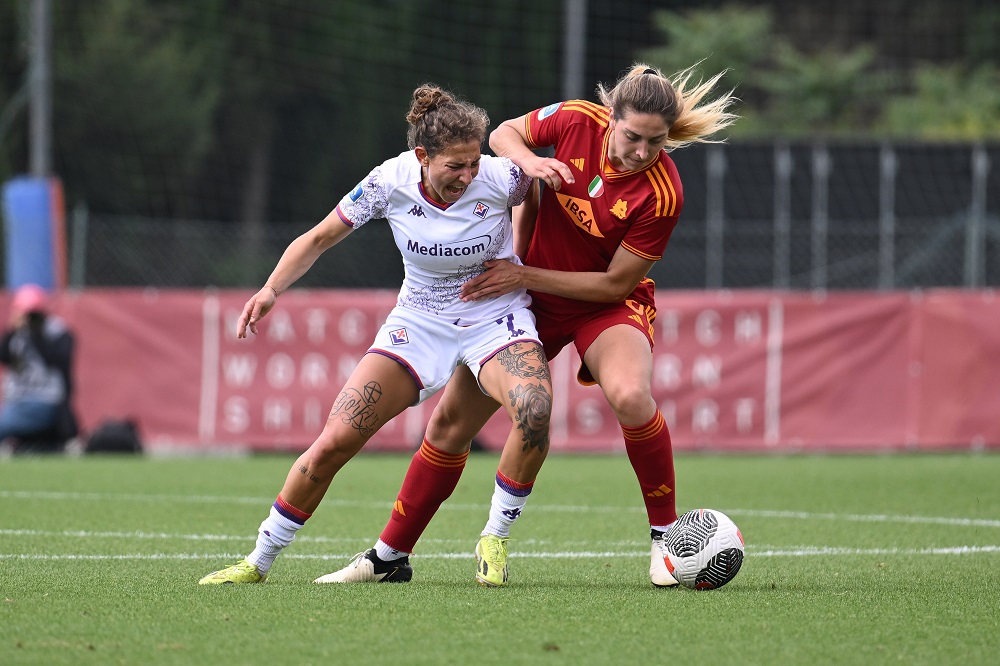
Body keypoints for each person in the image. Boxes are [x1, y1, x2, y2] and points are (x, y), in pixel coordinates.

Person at [328, 63, 738, 588]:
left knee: (632, 396)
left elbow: (614, 286)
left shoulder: (663, 194)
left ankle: (664, 542)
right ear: (610, 117)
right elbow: (504, 133)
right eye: (632, 136)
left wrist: (523, 272)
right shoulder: (574, 120)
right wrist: (529, 164)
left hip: (602, 304)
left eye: (656, 143)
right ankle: (389, 556)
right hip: (528, 299)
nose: (641, 152)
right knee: (450, 426)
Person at [199, 84, 553, 588]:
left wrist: (520, 257)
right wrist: (271, 289)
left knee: (535, 410)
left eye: (474, 163)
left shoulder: (501, 176)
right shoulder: (389, 181)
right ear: (422, 157)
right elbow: (321, 236)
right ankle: (257, 560)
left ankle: (494, 539)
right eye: (456, 165)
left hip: (494, 318)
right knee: (335, 441)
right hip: (419, 322)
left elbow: (535, 190)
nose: (468, 175)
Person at [0, 284, 78, 452]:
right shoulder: (16, 333)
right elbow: (4, 357)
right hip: (17, 400)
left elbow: (54, 359)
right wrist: (11, 330)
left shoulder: (56, 331)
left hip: (45, 401)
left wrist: (35, 331)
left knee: (4, 425)